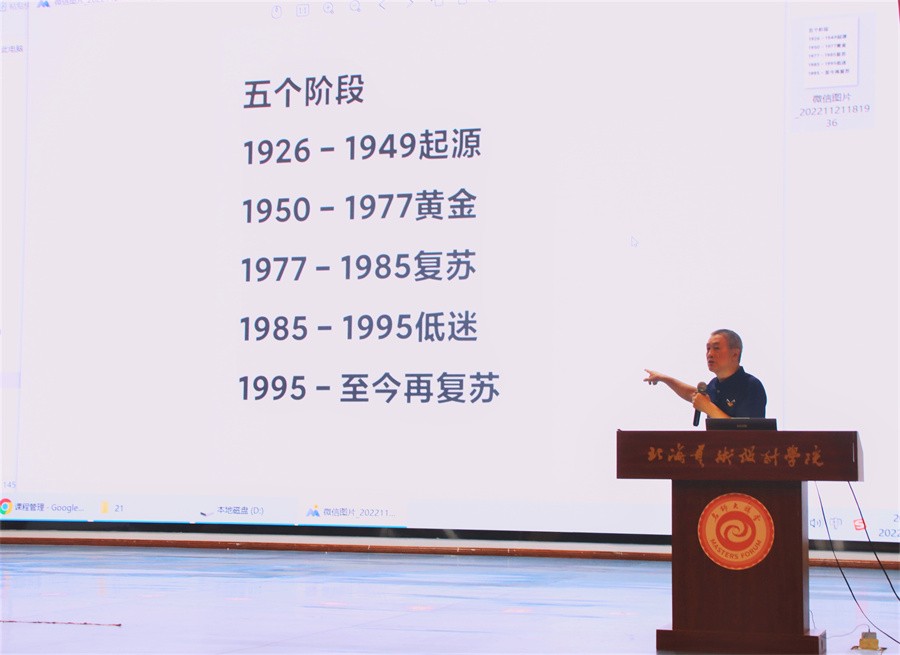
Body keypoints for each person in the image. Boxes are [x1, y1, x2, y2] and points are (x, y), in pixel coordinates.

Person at [643, 329, 767, 419]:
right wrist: (663, 378)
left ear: (735, 354)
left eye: (716, 348)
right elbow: (691, 394)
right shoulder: (713, 385)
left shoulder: (751, 385)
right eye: (708, 349)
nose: (710, 354)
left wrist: (708, 407)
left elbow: (745, 434)